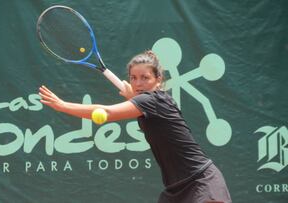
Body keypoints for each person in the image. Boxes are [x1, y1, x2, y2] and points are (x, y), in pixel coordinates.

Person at [38, 51, 232, 203]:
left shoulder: (153, 100)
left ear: (158, 79)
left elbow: (107, 112)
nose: (138, 83)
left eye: (145, 78)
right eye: (133, 78)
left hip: (201, 182)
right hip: (177, 188)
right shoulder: (158, 100)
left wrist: (62, 106)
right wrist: (135, 96)